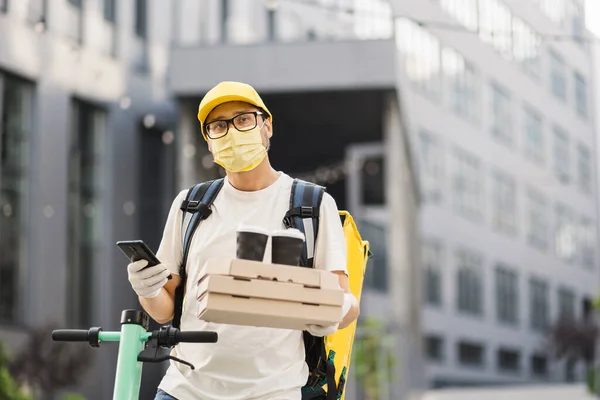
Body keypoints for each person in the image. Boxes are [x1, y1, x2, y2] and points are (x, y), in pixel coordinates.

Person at [126, 81, 360, 400]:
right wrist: (147, 288)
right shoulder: (191, 204)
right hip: (186, 389)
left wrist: (329, 313)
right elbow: (166, 311)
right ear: (208, 141)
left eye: (244, 119)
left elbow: (346, 302)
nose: (233, 133)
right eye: (219, 126)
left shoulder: (312, 205)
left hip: (275, 392)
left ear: (267, 127)